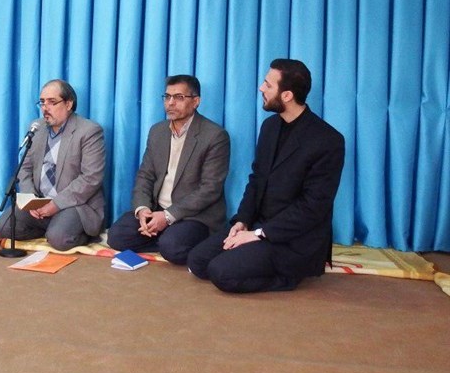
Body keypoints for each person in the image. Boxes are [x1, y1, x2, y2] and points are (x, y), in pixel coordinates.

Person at [188, 59, 345, 293]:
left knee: (221, 272)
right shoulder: (270, 127)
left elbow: (312, 207)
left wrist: (258, 235)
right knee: (198, 261)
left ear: (287, 95)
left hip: (294, 240)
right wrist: (242, 221)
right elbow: (257, 180)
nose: (261, 88)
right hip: (258, 225)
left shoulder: (328, 140)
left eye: (268, 85)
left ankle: (289, 277)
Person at [107, 75, 230, 264]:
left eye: (179, 97)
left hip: (194, 216)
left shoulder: (215, 136)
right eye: (167, 97)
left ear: (196, 101)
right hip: (157, 209)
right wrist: (143, 209)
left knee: (172, 247)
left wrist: (168, 216)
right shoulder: (157, 131)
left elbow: (210, 189)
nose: (171, 103)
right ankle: (165, 236)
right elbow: (145, 176)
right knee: (116, 236)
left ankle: (173, 239)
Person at [0, 79, 106, 250]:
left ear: (68, 104)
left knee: (59, 240)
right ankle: (52, 229)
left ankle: (70, 232)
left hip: (74, 204)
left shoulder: (89, 131)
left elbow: (91, 178)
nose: (45, 108)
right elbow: (24, 168)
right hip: (40, 201)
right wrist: (30, 199)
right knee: (4, 227)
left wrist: (55, 205)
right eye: (42, 102)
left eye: (52, 102)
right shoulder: (37, 128)